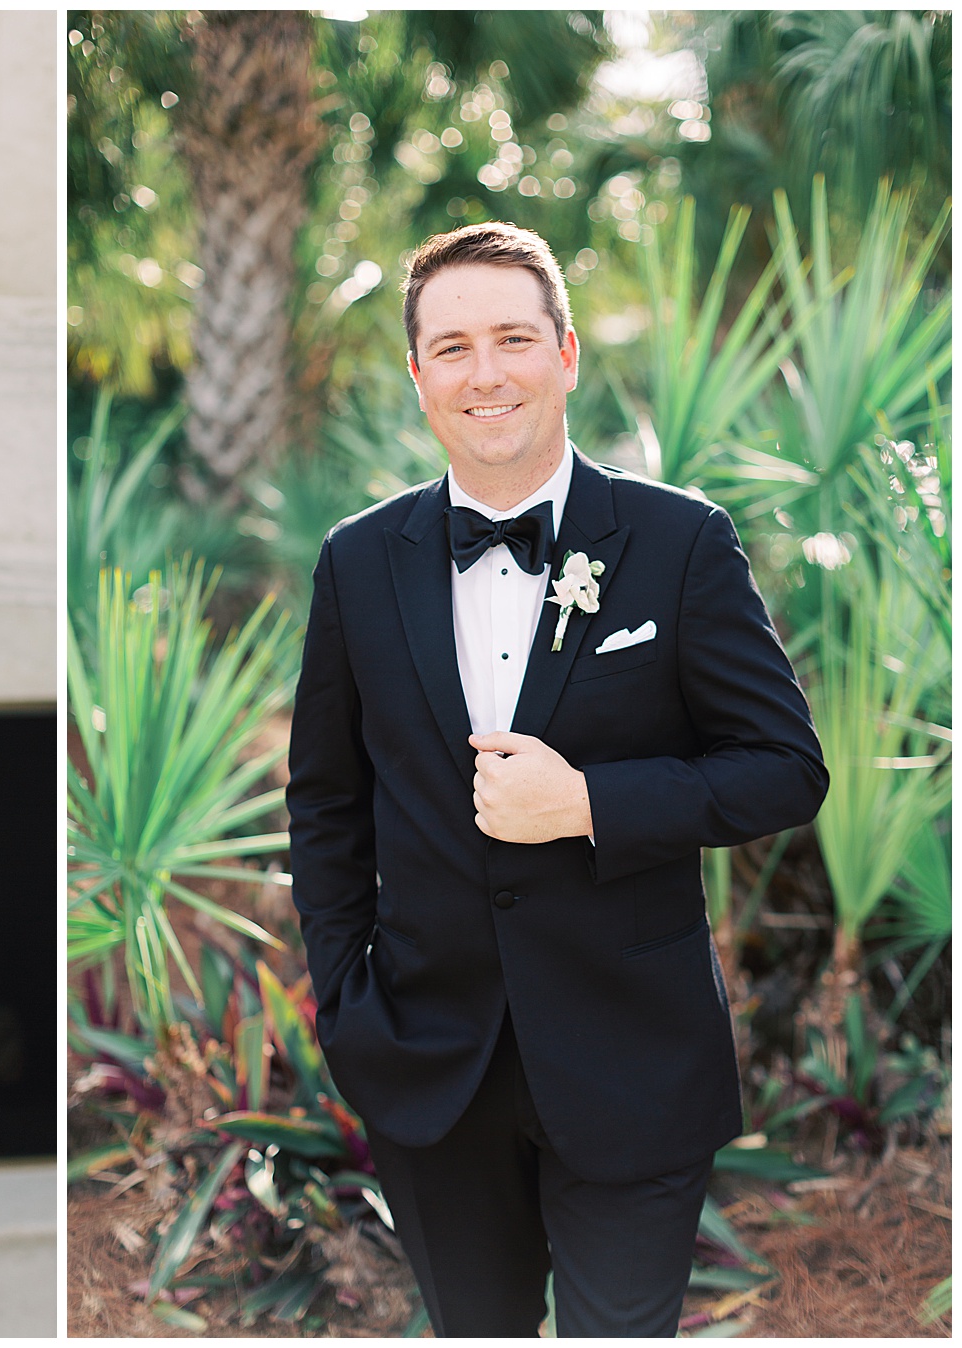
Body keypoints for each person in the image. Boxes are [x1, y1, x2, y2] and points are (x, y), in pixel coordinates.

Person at [285, 221, 827, 1337]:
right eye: (453, 347)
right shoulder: (355, 560)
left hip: (634, 1058)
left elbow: (784, 768)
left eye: (513, 338)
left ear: (567, 354)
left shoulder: (680, 544)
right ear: (418, 374)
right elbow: (326, 801)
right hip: (430, 1063)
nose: (486, 373)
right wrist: (346, 1001)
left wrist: (589, 804)